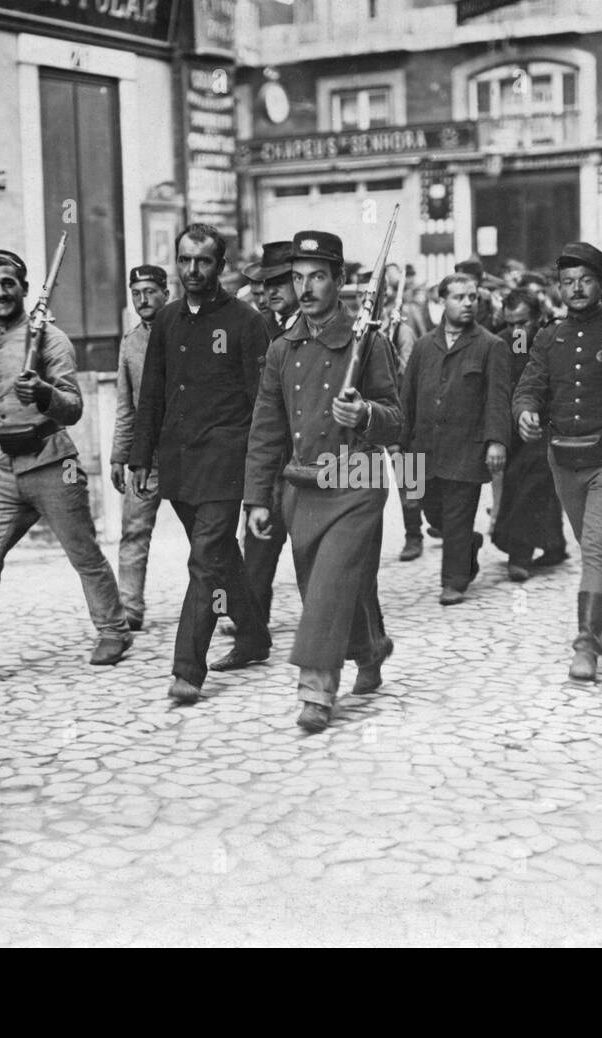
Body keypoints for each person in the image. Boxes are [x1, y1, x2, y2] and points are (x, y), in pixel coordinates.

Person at [0, 250, 131, 688]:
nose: (0, 292)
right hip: (2, 472)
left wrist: (43, 394)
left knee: (83, 553)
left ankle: (113, 629)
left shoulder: (52, 341)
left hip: (52, 463)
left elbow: (72, 409)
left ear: (24, 287)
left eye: (8, 284)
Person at [243, 230, 402, 734]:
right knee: (323, 587)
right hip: (302, 486)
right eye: (298, 278)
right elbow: (265, 431)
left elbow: (399, 417)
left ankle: (315, 691)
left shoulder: (368, 341)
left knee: (330, 582)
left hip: (356, 479)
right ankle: (371, 647)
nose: (306, 288)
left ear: (338, 281)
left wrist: (366, 413)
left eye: (317, 277)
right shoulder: (280, 350)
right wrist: (257, 500)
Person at [128, 223, 273, 704]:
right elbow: (151, 393)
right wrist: (140, 457)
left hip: (225, 463)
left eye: (203, 261)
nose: (193, 270)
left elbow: (262, 405)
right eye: (185, 260)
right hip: (178, 463)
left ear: (221, 265)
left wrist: (259, 473)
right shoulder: (167, 320)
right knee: (220, 558)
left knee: (204, 561)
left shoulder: (246, 322)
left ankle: (187, 669)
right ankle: (253, 636)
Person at [512, 242, 602, 681]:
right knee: (590, 545)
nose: (576, 289)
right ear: (559, 288)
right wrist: (525, 413)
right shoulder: (548, 335)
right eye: (568, 282)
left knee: (595, 546)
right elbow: (528, 387)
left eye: (585, 280)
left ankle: (586, 644)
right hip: (563, 459)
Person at [400, 273, 510, 605]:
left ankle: (453, 581)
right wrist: (399, 443)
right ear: (441, 301)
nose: (466, 303)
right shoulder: (423, 346)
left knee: (458, 513)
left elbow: (497, 398)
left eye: (472, 297)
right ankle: (468, 545)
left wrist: (496, 441)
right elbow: (408, 397)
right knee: (433, 514)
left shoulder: (491, 345)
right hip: (426, 449)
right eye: (458, 297)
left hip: (467, 447)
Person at [221, 241, 299, 649]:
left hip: (308, 455)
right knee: (259, 538)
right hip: (268, 449)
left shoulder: (316, 326)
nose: (269, 292)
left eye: (279, 282)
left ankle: (353, 632)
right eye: (262, 285)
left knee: (317, 549)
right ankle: (254, 626)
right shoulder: (260, 326)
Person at [492, 289, 568, 580]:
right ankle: (555, 544)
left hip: (546, 425)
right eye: (510, 323)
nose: (515, 330)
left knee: (528, 483)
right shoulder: (499, 341)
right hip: (511, 427)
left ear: (537, 318)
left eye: (522, 323)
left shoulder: (551, 340)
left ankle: (519, 554)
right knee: (534, 486)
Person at [109, 264, 168, 631]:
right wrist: (119, 454)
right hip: (146, 458)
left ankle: (223, 604)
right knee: (133, 530)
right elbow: (125, 405)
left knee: (207, 534)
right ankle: (129, 607)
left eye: (149, 291)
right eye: (136, 293)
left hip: (187, 453)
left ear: (166, 292)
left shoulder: (183, 333)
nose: (143, 300)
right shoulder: (130, 343)